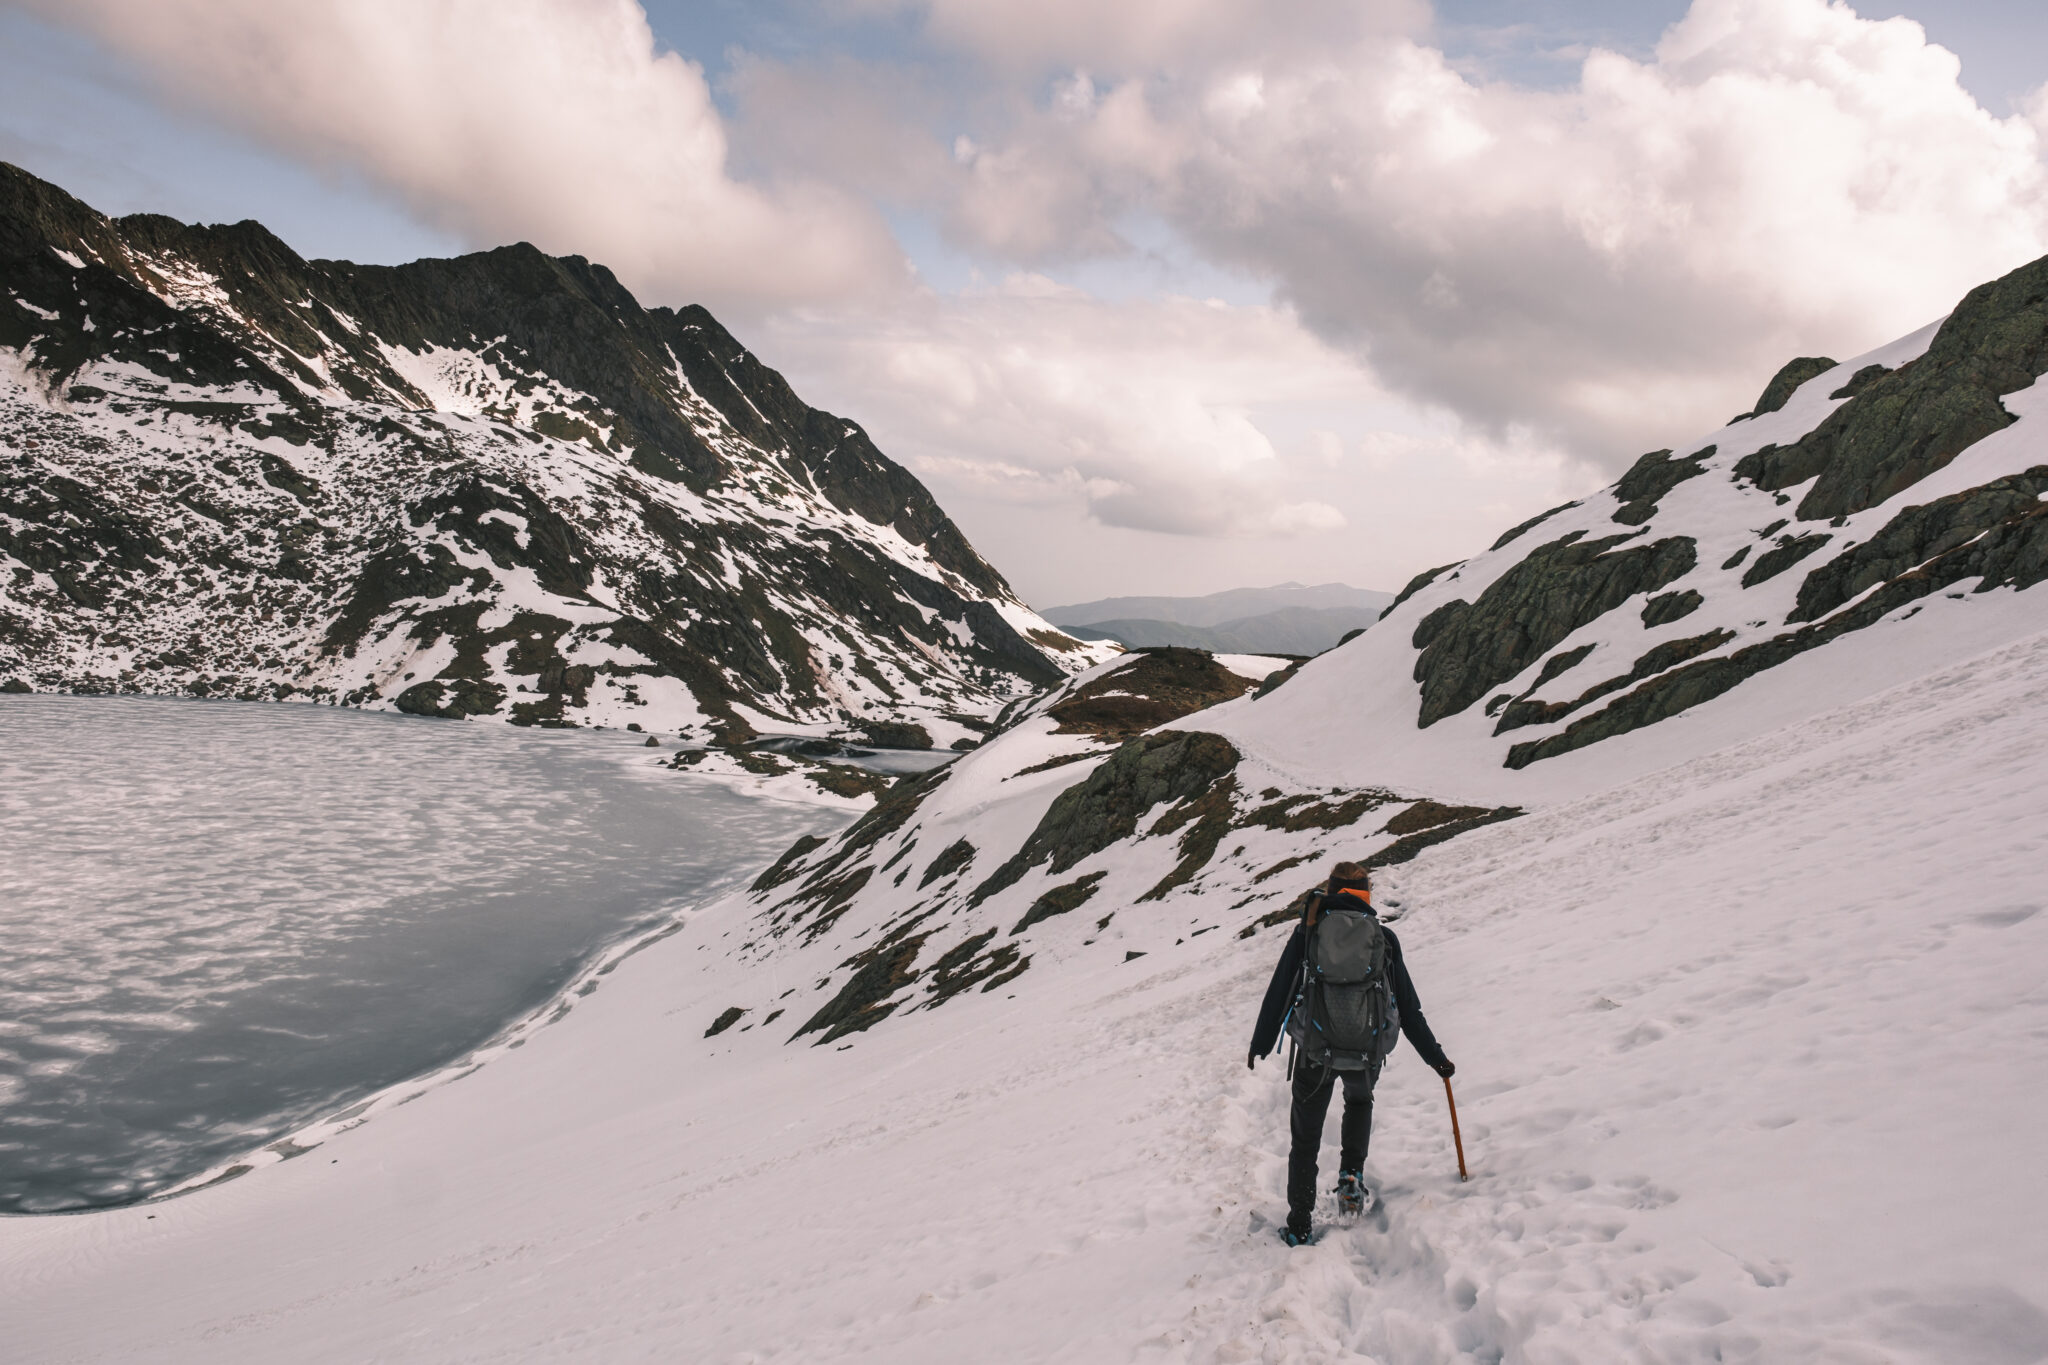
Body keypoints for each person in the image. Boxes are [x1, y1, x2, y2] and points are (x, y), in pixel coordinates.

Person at [1247, 861, 1454, 1245]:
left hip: (1314, 1052)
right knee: (1359, 1103)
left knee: (1305, 1138)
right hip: (1365, 1049)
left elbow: (1279, 991)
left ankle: (1299, 1224)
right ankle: (1350, 1179)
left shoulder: (1308, 934)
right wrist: (1435, 1057)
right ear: (1366, 895)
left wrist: (1261, 1043)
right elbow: (1408, 1008)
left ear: (1329, 891)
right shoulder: (1383, 939)